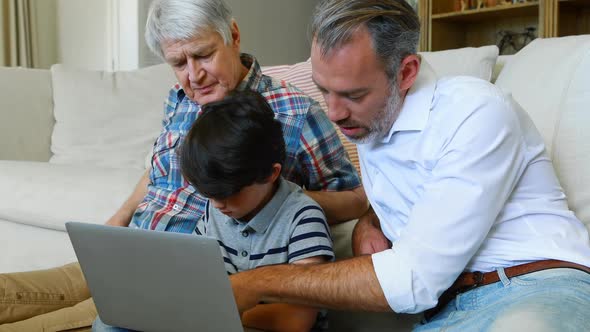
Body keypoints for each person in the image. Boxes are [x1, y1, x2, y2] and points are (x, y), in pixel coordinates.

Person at [0, 0, 366, 331]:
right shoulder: (180, 100)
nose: (194, 75)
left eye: (203, 55)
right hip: (130, 248)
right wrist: (120, 218)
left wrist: (278, 200)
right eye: (178, 63)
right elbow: (160, 172)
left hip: (179, 271)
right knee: (9, 293)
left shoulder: (294, 112)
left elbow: (354, 198)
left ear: (233, 36)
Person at [229, 0, 590, 331]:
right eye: (325, 91)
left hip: (537, 287)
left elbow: (414, 277)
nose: (334, 113)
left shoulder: (474, 112)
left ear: (406, 72)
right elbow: (424, 195)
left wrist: (258, 281)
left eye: (353, 94)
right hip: (447, 313)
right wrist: (370, 220)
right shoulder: (373, 119)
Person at [94, 91, 334, 332]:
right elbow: (195, 285)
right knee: (108, 325)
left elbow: (295, 320)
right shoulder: (217, 210)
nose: (218, 204)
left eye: (229, 193)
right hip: (216, 323)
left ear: (271, 173)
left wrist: (210, 312)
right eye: (209, 194)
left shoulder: (303, 218)